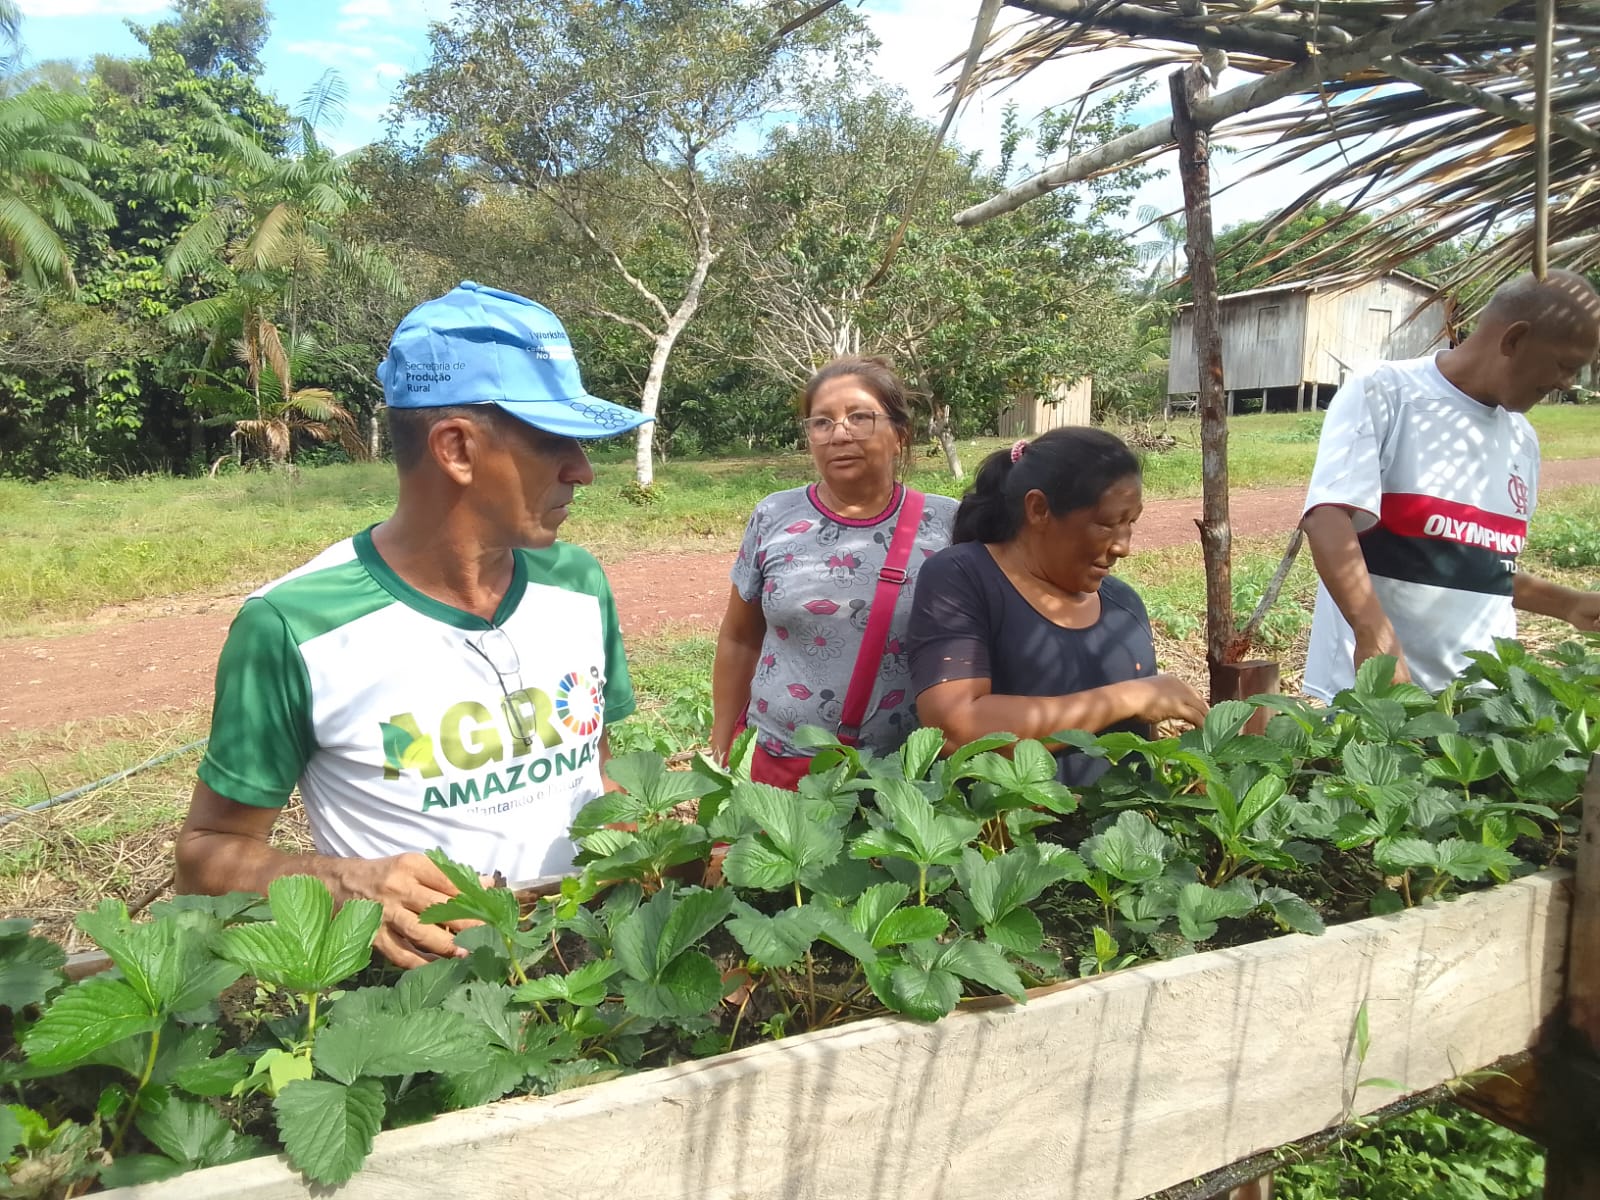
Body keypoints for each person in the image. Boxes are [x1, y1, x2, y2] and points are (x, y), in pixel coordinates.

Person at [175, 281, 648, 968]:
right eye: (555, 441)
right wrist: (346, 885)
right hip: (429, 993)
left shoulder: (577, 582)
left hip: (593, 967)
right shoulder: (295, 627)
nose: (584, 471)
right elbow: (205, 858)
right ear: (456, 448)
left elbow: (593, 771)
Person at [1300, 269, 1600, 701]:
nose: (1567, 383)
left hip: (1480, 702)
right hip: (1380, 696)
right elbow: (1327, 516)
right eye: (1566, 365)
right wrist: (1372, 632)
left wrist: (1569, 604)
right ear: (1514, 339)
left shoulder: (1522, 440)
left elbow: (1481, 569)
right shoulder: (1387, 392)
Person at [907, 428, 1208, 786]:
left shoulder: (1124, 605)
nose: (1123, 546)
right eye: (1106, 524)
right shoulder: (964, 577)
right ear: (1038, 509)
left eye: (1130, 522)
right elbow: (954, 727)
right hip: (1004, 823)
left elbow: (1141, 750)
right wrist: (1128, 697)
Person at [710, 356, 959, 785]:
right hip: (781, 764)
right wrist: (721, 743)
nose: (839, 434)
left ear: (900, 434)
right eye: (822, 422)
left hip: (903, 774)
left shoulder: (947, 523)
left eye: (860, 417)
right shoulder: (773, 515)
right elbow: (739, 638)